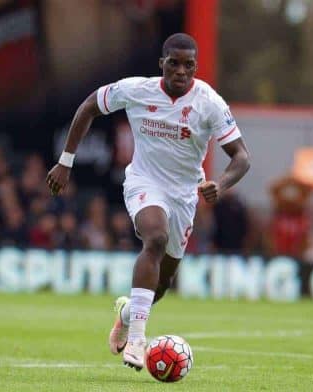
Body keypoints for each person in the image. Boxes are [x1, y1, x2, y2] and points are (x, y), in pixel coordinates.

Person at [46, 33, 250, 370]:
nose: (181, 71)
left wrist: (223, 184)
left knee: (163, 283)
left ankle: (127, 313)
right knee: (154, 238)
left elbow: (241, 156)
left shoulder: (210, 103)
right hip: (144, 182)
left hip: (184, 194)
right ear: (162, 64)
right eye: (174, 63)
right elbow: (88, 107)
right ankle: (138, 339)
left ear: (196, 67)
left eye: (188, 65)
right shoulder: (137, 89)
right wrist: (65, 161)